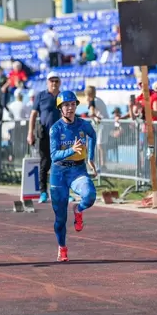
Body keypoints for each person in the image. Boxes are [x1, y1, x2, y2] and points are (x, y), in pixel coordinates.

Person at [49, 91, 97, 262]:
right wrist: (72, 150)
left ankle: (78, 209)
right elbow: (54, 156)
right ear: (60, 108)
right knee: (60, 218)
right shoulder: (55, 128)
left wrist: (90, 158)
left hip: (78, 170)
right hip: (59, 174)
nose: (70, 108)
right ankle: (62, 247)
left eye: (72, 104)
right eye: (66, 105)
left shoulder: (84, 124)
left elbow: (93, 135)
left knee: (90, 195)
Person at [27, 72, 62, 203]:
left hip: (60, 136)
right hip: (44, 134)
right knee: (45, 163)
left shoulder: (63, 96)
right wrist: (30, 132)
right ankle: (43, 192)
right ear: (47, 82)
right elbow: (33, 115)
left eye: (56, 81)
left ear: (60, 83)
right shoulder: (41, 96)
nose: (54, 83)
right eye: (51, 81)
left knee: (60, 164)